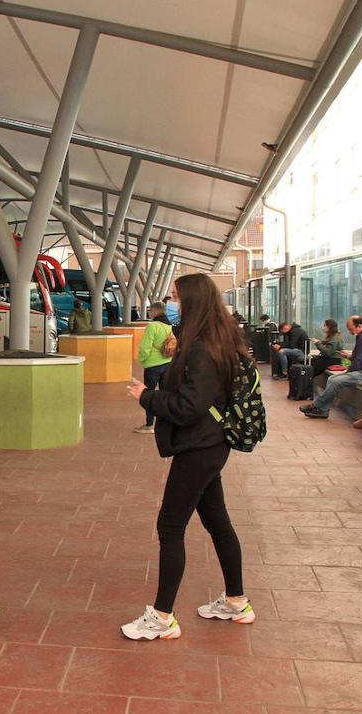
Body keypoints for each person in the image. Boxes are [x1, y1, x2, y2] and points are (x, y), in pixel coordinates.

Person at [121, 273, 253, 641]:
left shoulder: (200, 348)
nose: (172, 303)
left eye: (176, 297)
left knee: (170, 526)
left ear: (191, 301)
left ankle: (162, 618)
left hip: (199, 446)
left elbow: (190, 405)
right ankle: (236, 601)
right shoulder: (217, 339)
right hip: (210, 445)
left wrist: (147, 397)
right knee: (217, 521)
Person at [301, 315, 362, 419]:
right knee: (332, 378)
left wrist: (348, 372)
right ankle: (323, 410)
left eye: (351, 329)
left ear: (359, 326)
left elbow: (360, 360)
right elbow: (360, 357)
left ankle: (317, 406)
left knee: (336, 381)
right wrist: (349, 357)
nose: (349, 332)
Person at [134, 301, 174, 434]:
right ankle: (166, 423)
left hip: (153, 365)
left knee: (149, 395)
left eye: (151, 310)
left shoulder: (153, 326)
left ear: (156, 311)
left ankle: (149, 424)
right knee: (164, 394)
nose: (150, 313)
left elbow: (145, 347)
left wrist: (142, 360)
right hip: (168, 363)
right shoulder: (170, 326)